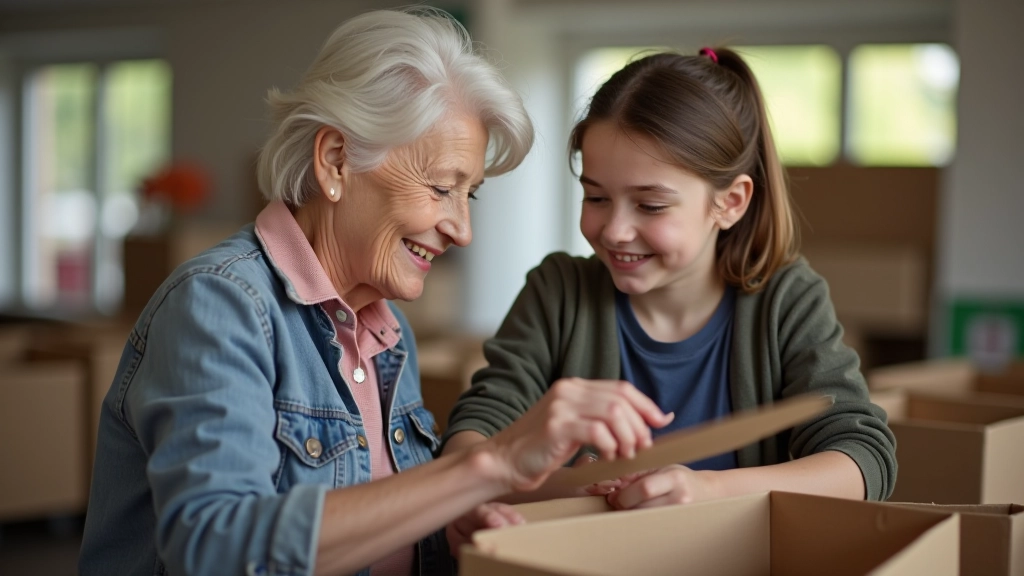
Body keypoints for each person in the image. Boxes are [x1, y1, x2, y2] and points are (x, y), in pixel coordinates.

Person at [78, 9, 673, 576]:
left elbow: (371, 523)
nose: (462, 230)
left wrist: (448, 520)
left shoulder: (384, 331)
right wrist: (484, 466)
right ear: (336, 161)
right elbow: (218, 551)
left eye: (472, 195)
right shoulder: (220, 305)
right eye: (442, 188)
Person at [442, 47, 897, 541]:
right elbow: (472, 436)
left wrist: (710, 491)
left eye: (651, 205)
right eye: (595, 197)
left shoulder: (786, 302)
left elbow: (862, 459)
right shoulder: (559, 293)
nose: (615, 230)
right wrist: (562, 489)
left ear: (730, 202)